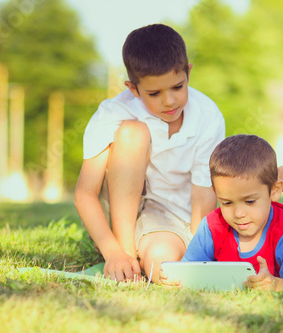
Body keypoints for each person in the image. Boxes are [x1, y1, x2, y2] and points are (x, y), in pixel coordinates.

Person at [74, 24, 225, 282]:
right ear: (133, 89)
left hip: (177, 219)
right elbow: (85, 193)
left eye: (177, 87)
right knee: (132, 133)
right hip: (128, 217)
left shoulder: (207, 115)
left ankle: (150, 255)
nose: (169, 101)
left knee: (164, 264)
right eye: (154, 93)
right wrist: (114, 253)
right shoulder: (113, 113)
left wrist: (200, 255)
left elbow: (203, 196)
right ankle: (126, 253)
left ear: (188, 73)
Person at [160, 134, 283, 291]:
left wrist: (278, 285)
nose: (238, 213)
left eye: (250, 201)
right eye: (227, 202)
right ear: (216, 194)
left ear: (274, 191)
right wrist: (174, 280)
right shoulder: (212, 226)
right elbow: (189, 269)